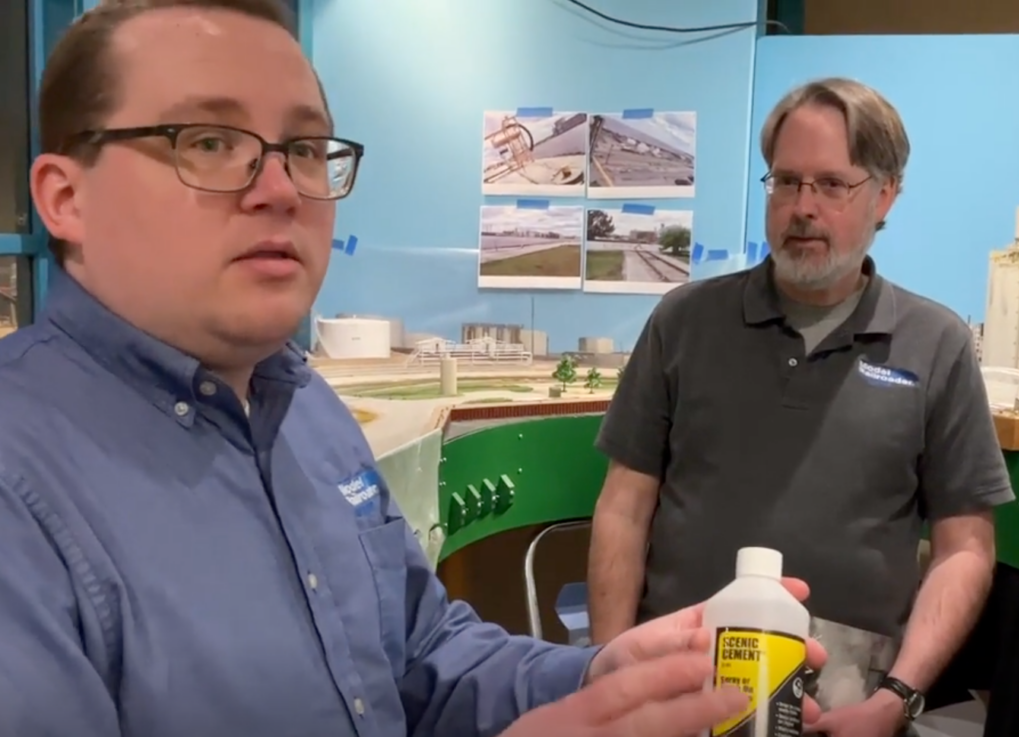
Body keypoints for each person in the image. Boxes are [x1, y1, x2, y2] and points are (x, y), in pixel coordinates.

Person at [0, 1, 828, 735]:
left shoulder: (306, 412)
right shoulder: (21, 482)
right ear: (64, 197)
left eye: (305, 147)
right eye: (210, 141)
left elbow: (425, 659)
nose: (281, 189)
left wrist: (597, 677)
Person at [587, 77, 1016, 737]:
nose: (802, 207)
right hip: (679, 688)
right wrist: (609, 671)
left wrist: (895, 698)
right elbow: (624, 506)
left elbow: (964, 547)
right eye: (785, 182)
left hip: (854, 701)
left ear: (886, 194)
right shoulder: (685, 321)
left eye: (831, 184)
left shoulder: (937, 344)